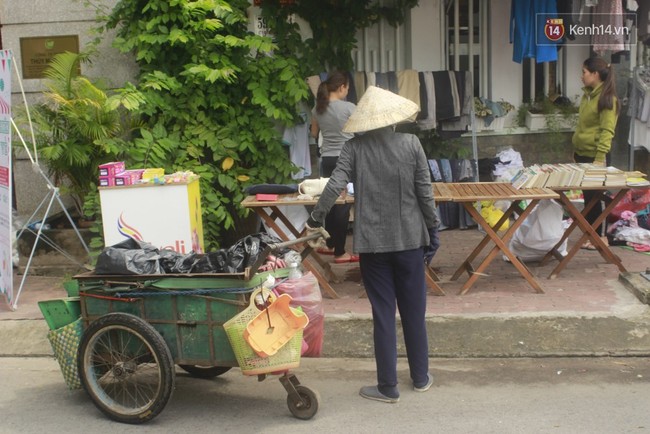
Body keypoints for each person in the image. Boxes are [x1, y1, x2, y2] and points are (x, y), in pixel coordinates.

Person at [306, 86, 441, 403]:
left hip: (373, 246)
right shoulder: (411, 144)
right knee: (413, 311)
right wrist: (433, 231)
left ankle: (387, 387)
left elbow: (334, 186)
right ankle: (420, 378)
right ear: (393, 119)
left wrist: (316, 219)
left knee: (383, 314)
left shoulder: (354, 149)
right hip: (410, 241)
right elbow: (425, 192)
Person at [310, 71, 358, 263]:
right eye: (347, 88)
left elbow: (314, 133)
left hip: (327, 159)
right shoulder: (349, 108)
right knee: (343, 206)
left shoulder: (318, 108)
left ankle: (330, 244)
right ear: (341, 87)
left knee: (329, 202)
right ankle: (340, 252)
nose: (347, 91)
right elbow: (359, 132)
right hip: (346, 159)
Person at [572, 56, 620, 251]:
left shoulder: (608, 99)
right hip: (581, 154)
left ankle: (603, 237)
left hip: (596, 157)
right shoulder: (587, 95)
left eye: (584, 72)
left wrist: (600, 158)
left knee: (600, 197)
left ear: (595, 74)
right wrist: (575, 150)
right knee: (588, 198)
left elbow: (607, 131)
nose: (581, 76)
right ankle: (591, 235)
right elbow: (582, 126)